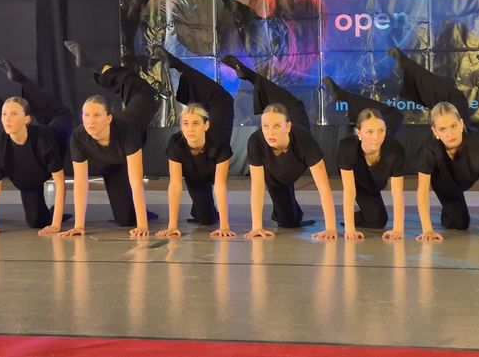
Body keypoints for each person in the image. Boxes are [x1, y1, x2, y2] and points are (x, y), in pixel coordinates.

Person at [388, 48, 479, 242]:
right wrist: (427, 230)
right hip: (447, 181)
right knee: (459, 223)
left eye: (453, 127)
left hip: (462, 139)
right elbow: (422, 190)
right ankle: (408, 67)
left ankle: (407, 65)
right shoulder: (429, 148)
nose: (449, 133)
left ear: (461, 125)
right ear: (434, 132)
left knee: (454, 99)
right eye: (442, 129)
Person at [218, 55, 337, 239]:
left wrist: (331, 228)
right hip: (279, 171)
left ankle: (251, 76)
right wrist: (257, 227)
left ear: (287, 127)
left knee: (285, 104)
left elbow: (323, 187)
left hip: (294, 114)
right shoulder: (256, 141)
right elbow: (257, 185)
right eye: (265, 127)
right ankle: (251, 77)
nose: (270, 132)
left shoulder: (304, 140)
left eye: (275, 127)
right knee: (288, 221)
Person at [62, 40, 156, 237]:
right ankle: (141, 212)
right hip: (112, 166)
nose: (90, 121)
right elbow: (80, 183)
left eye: (97, 115)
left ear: (109, 118)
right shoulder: (79, 137)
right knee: (124, 219)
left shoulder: (127, 130)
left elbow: (136, 181)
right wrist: (79, 225)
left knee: (143, 91)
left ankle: (96, 65)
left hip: (133, 121)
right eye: (86, 115)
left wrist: (143, 224)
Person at [0, 57, 74, 236]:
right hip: (30, 178)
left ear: (26, 119)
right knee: (35, 221)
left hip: (57, 130)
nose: (7, 119)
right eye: (4, 114)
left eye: (14, 114)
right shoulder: (0, 144)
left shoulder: (44, 139)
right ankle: (53, 212)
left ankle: (20, 79)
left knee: (54, 110)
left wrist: (56, 225)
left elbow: (60, 182)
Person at [152, 45, 235, 238]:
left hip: (218, 116)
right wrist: (172, 225)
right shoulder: (176, 144)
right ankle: (204, 211)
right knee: (206, 219)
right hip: (196, 173)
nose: (190, 129)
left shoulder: (219, 144)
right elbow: (175, 184)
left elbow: (220, 185)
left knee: (223, 98)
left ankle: (178, 65)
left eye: (196, 124)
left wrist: (225, 225)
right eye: (185, 124)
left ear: (206, 125)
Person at [336, 108, 407, 241]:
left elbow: (397, 193)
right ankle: (350, 218)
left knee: (379, 220)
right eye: (369, 132)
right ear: (359, 133)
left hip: (376, 182)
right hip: (358, 181)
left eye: (381, 130)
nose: (376, 137)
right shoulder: (348, 148)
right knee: (376, 219)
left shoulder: (395, 150)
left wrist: (398, 229)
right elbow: (349, 191)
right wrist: (350, 230)